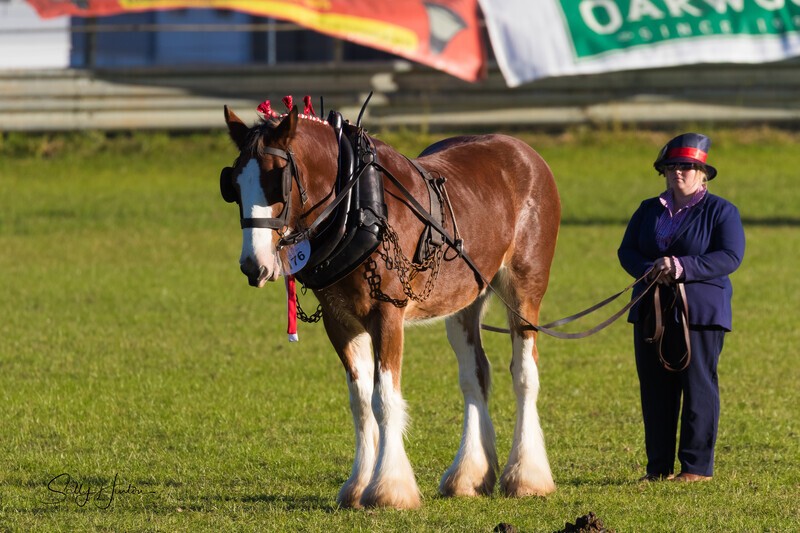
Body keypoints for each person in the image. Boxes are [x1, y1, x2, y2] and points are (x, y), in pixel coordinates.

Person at [618, 133, 745, 482]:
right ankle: (657, 468)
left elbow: (730, 256)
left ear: (702, 172)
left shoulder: (722, 211)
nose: (679, 172)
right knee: (655, 388)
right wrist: (649, 269)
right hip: (651, 310)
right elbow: (626, 251)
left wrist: (680, 267)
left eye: (687, 166)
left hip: (700, 313)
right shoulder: (647, 209)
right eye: (671, 166)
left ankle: (696, 468)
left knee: (698, 384)